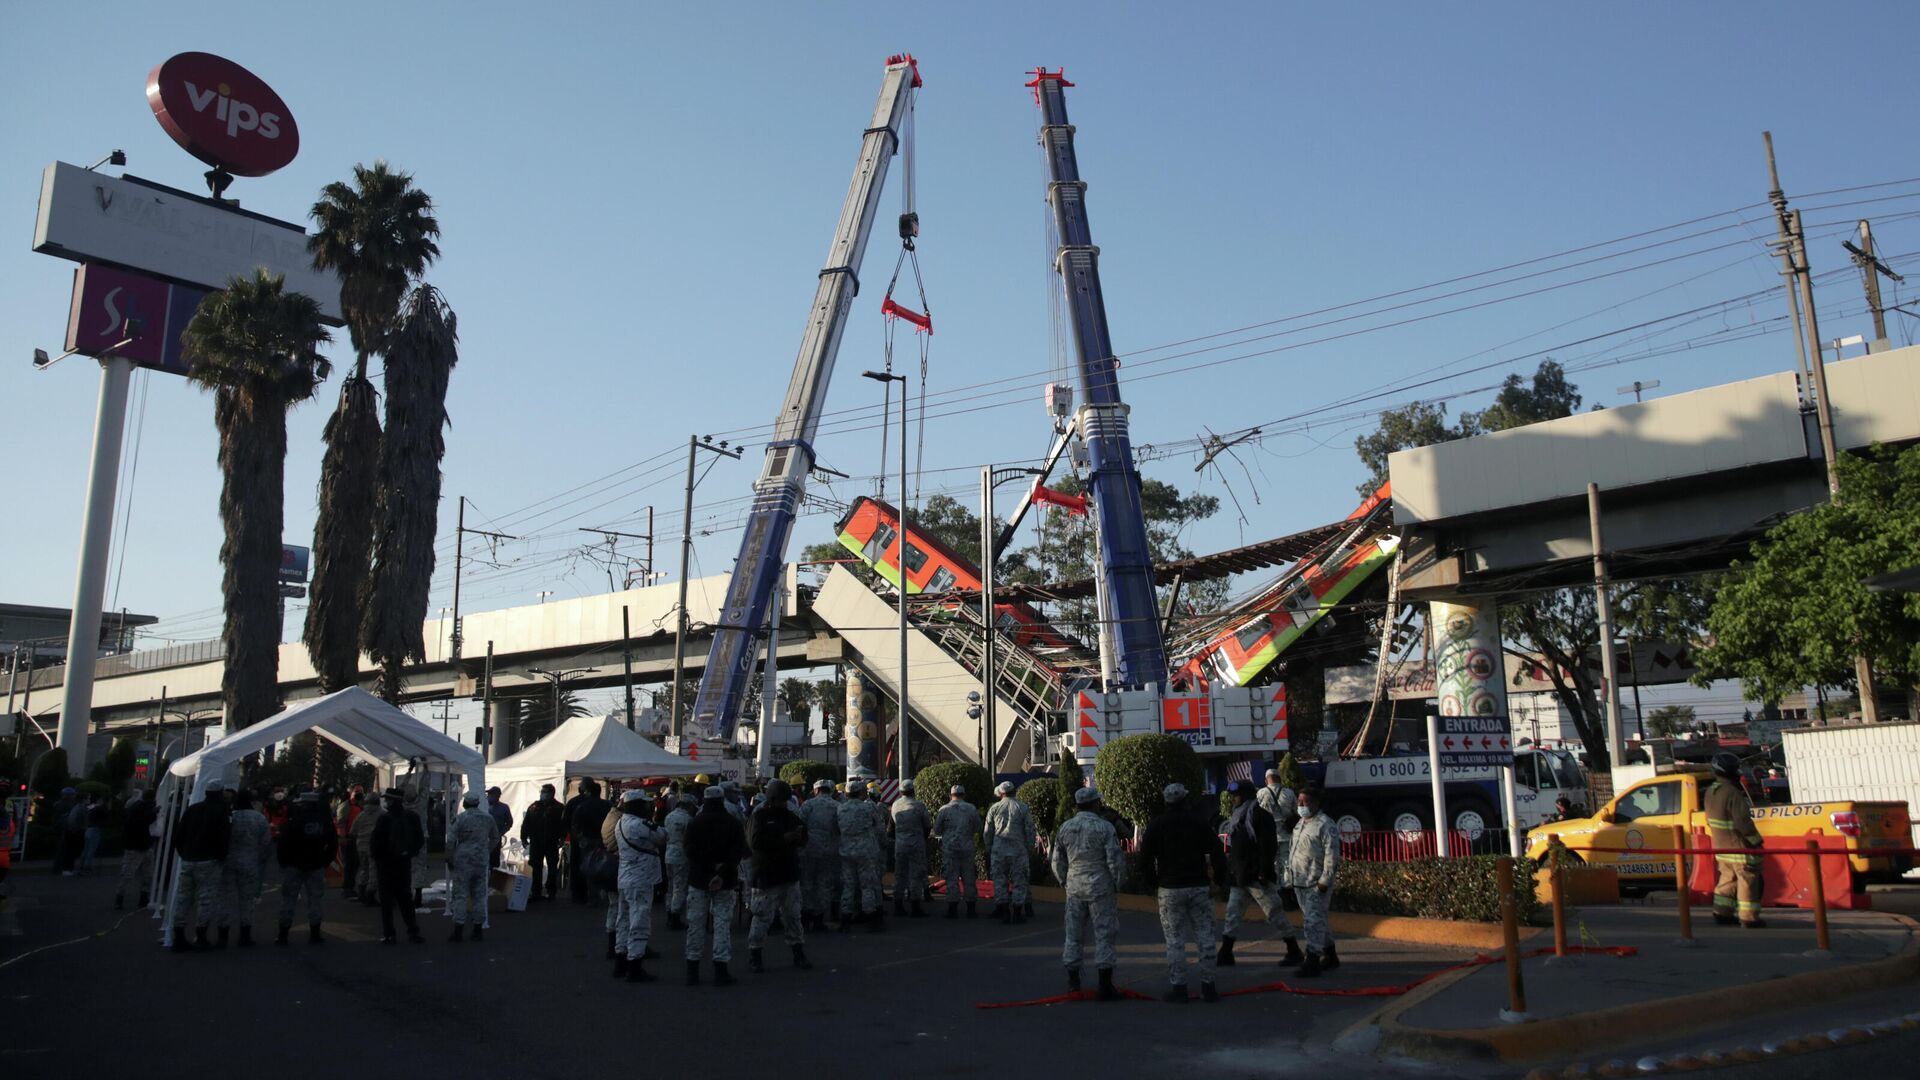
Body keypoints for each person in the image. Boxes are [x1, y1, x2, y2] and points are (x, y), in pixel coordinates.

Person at [1139, 783, 1227, 1003]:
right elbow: (1217, 851)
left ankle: (1179, 988)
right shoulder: (1198, 822)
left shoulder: (1157, 825)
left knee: (1175, 940)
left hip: (1170, 888)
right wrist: (1219, 879)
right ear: (1186, 800)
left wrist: (1154, 882)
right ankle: (1209, 987)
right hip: (1198, 885)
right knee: (1205, 937)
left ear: (1166, 801)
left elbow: (1145, 858)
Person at [1219, 779, 1304, 967]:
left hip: (1257, 877)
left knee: (1274, 913)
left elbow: (1268, 846)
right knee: (1232, 915)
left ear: (1246, 795)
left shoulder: (1259, 815)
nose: (1233, 799)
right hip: (1240, 877)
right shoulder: (1238, 816)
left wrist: (1264, 872)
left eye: (1236, 795)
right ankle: (1225, 953)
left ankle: (1294, 950)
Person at [1052, 786, 1125, 999]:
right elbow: (1115, 860)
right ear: (1096, 803)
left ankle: (1073, 982)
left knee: (1073, 935)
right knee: (1104, 933)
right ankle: (1105, 984)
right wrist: (1117, 884)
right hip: (1100, 886)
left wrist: (1064, 881)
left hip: (1074, 886)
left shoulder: (1065, 827)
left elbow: (1057, 860)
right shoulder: (1104, 827)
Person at [747, 779, 812, 973]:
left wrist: (799, 837)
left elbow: (804, 836)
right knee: (761, 918)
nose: (784, 803)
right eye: (781, 800)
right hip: (766, 875)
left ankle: (798, 953)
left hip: (788, 873)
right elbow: (754, 842)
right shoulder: (759, 816)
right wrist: (783, 839)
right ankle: (755, 955)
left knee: (793, 916)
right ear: (773, 798)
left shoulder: (790, 815)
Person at [684, 786, 746, 985]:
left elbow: (689, 851)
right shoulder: (732, 822)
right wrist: (721, 870)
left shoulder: (694, 822)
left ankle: (692, 970)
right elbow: (739, 851)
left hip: (699, 879)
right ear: (721, 800)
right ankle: (721, 969)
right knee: (722, 924)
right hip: (725, 880)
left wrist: (708, 868)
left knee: (695, 924)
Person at [1705, 750, 1767, 929]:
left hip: (1721, 846)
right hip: (1739, 847)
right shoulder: (1732, 792)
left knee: (1727, 879)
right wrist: (1755, 841)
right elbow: (1743, 821)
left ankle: (1721, 913)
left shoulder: (1711, 791)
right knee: (1748, 880)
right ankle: (1749, 917)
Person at [170, 778, 231, 952]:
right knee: (206, 899)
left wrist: (185, 853)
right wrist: (221, 856)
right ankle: (201, 935)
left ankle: (179, 935)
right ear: (220, 793)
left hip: (189, 859)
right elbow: (224, 836)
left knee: (183, 898)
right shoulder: (221, 811)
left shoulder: (192, 809)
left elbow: (179, 835)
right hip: (209, 860)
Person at [1285, 788, 1341, 976]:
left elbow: (1332, 855)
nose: (1301, 806)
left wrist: (1325, 879)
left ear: (1316, 803)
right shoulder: (1300, 824)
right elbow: (1292, 850)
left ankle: (1312, 960)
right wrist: (1288, 878)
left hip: (1316, 883)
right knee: (1318, 921)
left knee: (1312, 922)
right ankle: (1331, 956)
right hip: (1299, 881)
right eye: (1299, 802)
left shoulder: (1325, 824)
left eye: (1305, 802)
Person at [612, 789, 665, 982]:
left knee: (623, 920)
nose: (647, 806)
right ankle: (634, 965)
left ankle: (620, 960)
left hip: (624, 877)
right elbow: (661, 836)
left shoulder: (620, 823)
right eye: (644, 804)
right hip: (641, 878)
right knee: (639, 921)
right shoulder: (639, 824)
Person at [276, 791, 338, 946]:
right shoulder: (324, 821)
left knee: (288, 900)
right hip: (316, 864)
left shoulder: (294, 821)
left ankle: (283, 935)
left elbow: (282, 844)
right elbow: (332, 844)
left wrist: (284, 862)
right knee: (315, 900)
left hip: (293, 865)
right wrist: (324, 861)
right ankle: (315, 934)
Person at [370, 788, 426, 945]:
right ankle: (413, 931)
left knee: (387, 902)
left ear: (391, 801)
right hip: (404, 863)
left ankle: (389, 934)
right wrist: (409, 854)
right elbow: (420, 840)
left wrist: (378, 859)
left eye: (387, 799)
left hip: (386, 865)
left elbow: (375, 843)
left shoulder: (384, 819)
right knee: (405, 899)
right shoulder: (412, 817)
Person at [217, 789, 272, 947]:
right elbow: (266, 842)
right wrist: (259, 858)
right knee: (247, 899)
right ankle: (245, 934)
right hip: (250, 862)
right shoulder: (259, 818)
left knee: (225, 898)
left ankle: (223, 934)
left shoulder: (230, 817)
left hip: (228, 861)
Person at [984, 781, 1037, 924]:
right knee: (1020, 881)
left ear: (1001, 793)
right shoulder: (1022, 807)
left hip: (998, 850)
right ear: (1014, 791)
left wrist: (989, 848)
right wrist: (1030, 848)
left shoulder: (994, 808)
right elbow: (1030, 830)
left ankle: (1004, 911)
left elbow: (988, 832)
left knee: (1000, 881)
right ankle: (1018, 912)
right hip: (1018, 850)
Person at [448, 792, 498, 942]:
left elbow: (451, 840)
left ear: (465, 803)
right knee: (479, 895)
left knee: (461, 895)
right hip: (481, 860)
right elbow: (495, 837)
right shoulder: (488, 818)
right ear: (477, 803)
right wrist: (486, 850)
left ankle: (458, 930)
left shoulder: (461, 818)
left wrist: (449, 857)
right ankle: (477, 930)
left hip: (463, 860)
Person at [836, 778, 885, 931]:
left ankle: (845, 919)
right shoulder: (869, 808)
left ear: (847, 793)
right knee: (867, 885)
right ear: (861, 793)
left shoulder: (840, 809)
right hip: (866, 852)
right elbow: (880, 829)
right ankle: (871, 918)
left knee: (849, 885)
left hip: (846, 852)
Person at [932, 785, 981, 918]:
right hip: (967, 848)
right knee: (969, 877)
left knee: (951, 878)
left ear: (950, 795)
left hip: (950, 848)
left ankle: (952, 909)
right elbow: (977, 827)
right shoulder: (971, 808)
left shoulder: (944, 809)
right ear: (963, 795)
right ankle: (971, 909)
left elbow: (937, 829)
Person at [797, 779, 841, 931]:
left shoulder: (808, 805)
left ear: (816, 790)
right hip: (829, 850)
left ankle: (804, 915)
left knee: (807, 882)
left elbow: (799, 825)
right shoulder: (837, 806)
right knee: (823, 883)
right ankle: (818, 918)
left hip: (808, 849)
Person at [889, 779, 932, 918]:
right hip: (916, 843)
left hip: (900, 844)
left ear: (901, 791)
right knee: (915, 875)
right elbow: (927, 825)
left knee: (900, 874)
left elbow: (891, 828)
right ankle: (915, 906)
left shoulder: (895, 805)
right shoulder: (919, 805)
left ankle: (898, 905)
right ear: (913, 790)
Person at [519, 783, 566, 901]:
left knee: (552, 867)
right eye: (542, 792)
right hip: (536, 841)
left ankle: (551, 891)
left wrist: (562, 838)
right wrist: (524, 838)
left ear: (551, 794)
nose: (542, 794)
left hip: (551, 841)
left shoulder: (559, 807)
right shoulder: (534, 807)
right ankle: (536, 891)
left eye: (545, 792)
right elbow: (526, 823)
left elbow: (563, 825)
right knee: (536, 867)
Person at [116, 789, 159, 911]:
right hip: (137, 846)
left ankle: (140, 899)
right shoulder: (139, 809)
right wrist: (152, 814)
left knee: (146, 875)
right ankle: (122, 898)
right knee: (130, 874)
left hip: (142, 845)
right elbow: (140, 823)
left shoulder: (137, 808)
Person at [568, 780, 611, 904]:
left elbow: (574, 824)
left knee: (589, 867)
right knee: (605, 867)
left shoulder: (582, 806)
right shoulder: (607, 805)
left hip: (588, 840)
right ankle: (604, 894)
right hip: (603, 839)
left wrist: (580, 838)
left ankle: (591, 896)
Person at [1255, 767, 1298, 888]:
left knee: (1272, 862)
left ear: (1266, 780)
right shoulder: (1289, 792)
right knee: (1286, 861)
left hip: (1268, 835)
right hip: (1286, 834)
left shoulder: (1261, 793)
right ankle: (1288, 888)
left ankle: (1275, 887)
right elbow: (1296, 812)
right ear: (1279, 779)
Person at [663, 791, 696, 930]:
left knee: (670, 886)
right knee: (680, 887)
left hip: (668, 853)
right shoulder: (688, 819)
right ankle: (675, 916)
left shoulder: (669, 816)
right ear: (688, 805)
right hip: (681, 855)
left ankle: (669, 913)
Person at [350, 794, 384, 905]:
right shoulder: (382, 814)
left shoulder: (361, 815)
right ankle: (370, 895)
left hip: (360, 845)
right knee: (374, 870)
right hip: (374, 845)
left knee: (364, 869)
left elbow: (352, 831)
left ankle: (361, 892)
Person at [335, 790, 365, 899]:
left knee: (355, 864)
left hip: (356, 838)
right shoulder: (347, 805)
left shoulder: (359, 805)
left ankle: (349, 888)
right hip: (348, 839)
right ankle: (347, 889)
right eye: (357, 791)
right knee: (350, 864)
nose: (359, 793)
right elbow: (341, 823)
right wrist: (342, 838)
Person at [484, 787, 513, 870]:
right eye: (488, 794)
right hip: (482, 838)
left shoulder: (504, 808)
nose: (489, 796)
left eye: (491, 794)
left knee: (494, 862)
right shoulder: (483, 806)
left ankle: (492, 880)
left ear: (498, 796)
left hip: (496, 839)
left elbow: (509, 823)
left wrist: (500, 832)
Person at [79, 793, 107, 874]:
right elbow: (105, 818)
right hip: (95, 829)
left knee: (86, 849)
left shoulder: (90, 807)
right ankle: (87, 867)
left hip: (88, 829)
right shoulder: (99, 809)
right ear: (99, 800)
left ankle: (82, 865)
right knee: (91, 850)